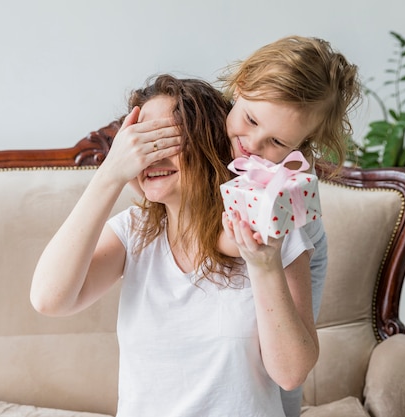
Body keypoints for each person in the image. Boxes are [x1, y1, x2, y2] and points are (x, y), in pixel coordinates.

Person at [30, 74, 319, 417]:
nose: (150, 157)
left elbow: (291, 374)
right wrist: (110, 174)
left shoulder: (267, 230)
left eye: (165, 140)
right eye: (140, 144)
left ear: (209, 142)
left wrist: (264, 264)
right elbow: (49, 299)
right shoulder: (133, 232)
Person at [217, 35, 362, 417]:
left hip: (264, 398)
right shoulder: (220, 142)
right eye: (250, 119)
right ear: (240, 82)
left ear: (303, 144)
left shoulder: (286, 202)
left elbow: (290, 370)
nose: (252, 144)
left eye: (277, 141)